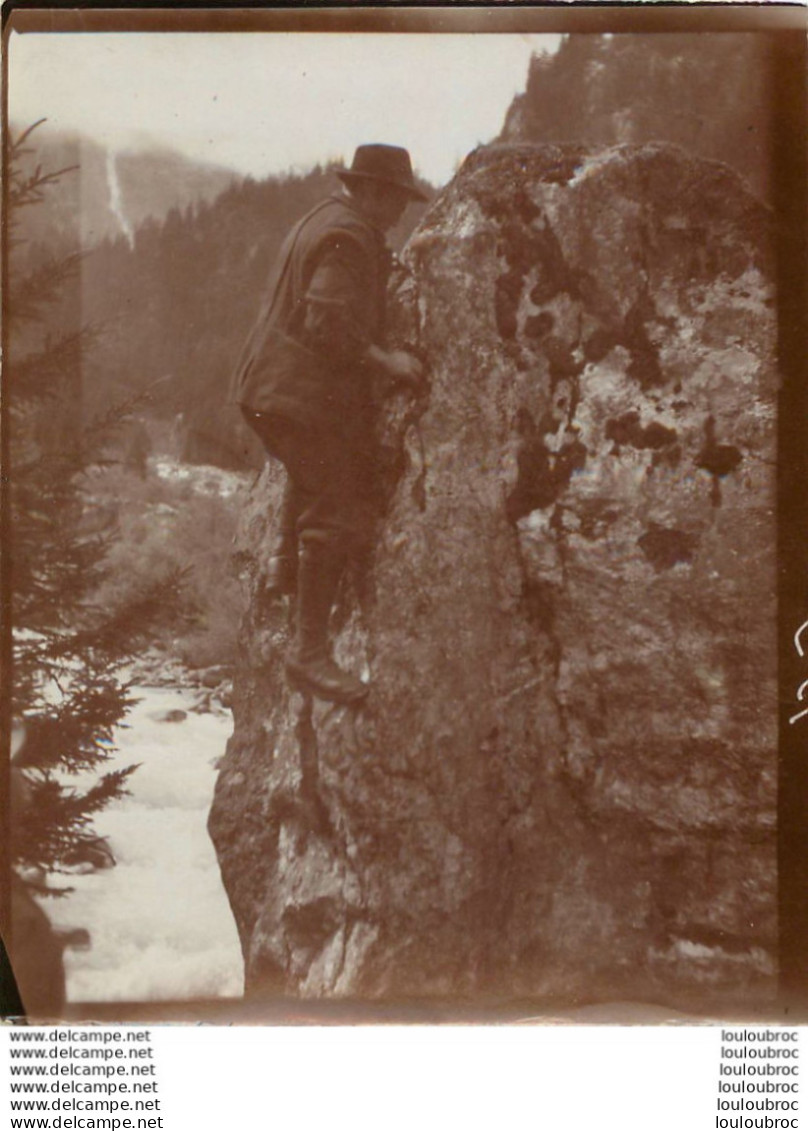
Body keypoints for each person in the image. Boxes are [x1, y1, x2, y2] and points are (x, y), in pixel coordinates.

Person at [231, 144, 426, 706]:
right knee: (337, 501)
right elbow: (326, 321)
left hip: (268, 386)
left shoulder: (325, 217)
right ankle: (309, 655)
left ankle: (283, 568)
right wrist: (387, 361)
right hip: (297, 393)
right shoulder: (348, 236)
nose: (397, 212)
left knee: (315, 468)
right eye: (391, 198)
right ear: (367, 191)